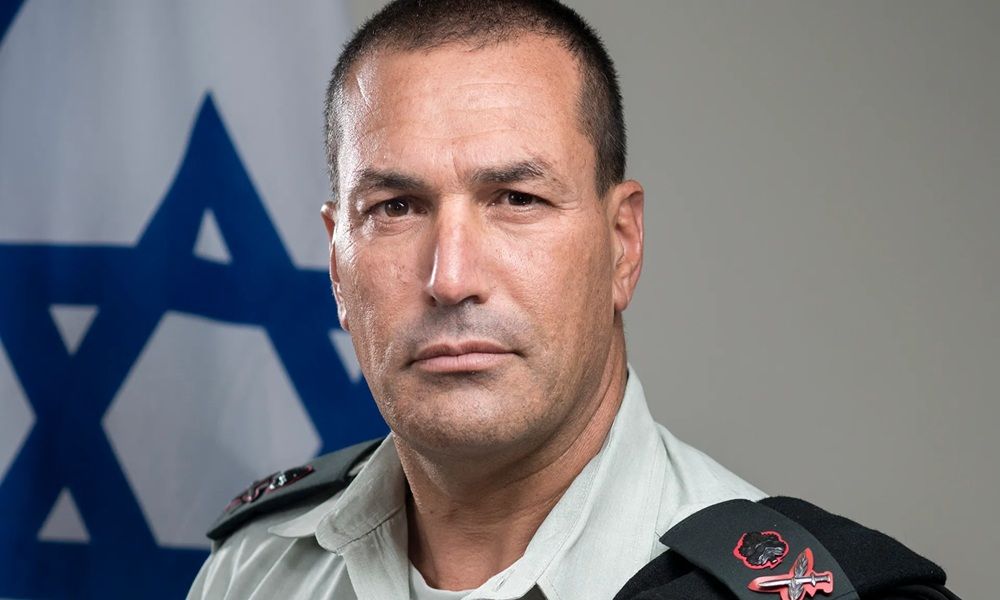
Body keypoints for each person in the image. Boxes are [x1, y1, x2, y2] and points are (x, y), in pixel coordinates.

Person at [188, 2, 957, 599]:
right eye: (396, 208)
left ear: (622, 245)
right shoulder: (251, 573)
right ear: (336, 263)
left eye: (516, 199)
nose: (451, 278)